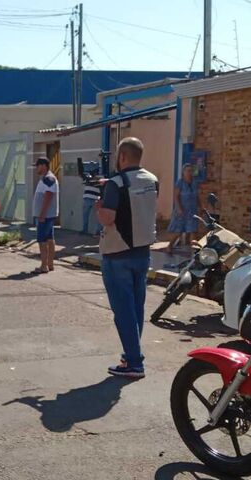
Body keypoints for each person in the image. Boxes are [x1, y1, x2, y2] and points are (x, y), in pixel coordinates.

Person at [96, 137, 159, 379]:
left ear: (122, 156)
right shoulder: (152, 180)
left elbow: (109, 218)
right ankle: (130, 355)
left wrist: (99, 207)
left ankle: (134, 362)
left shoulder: (115, 183)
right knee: (136, 308)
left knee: (123, 311)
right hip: (142, 252)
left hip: (117, 254)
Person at [31, 157, 59, 274]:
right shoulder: (47, 178)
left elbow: (48, 196)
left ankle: (44, 266)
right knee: (49, 238)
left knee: (42, 240)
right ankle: (50, 264)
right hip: (48, 215)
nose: (36, 168)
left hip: (46, 216)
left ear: (43, 166)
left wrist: (42, 214)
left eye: (37, 166)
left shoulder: (48, 179)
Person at [165, 164, 199, 254]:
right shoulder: (180, 182)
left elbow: (197, 196)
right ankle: (170, 246)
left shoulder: (194, 182)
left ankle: (193, 251)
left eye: (190, 171)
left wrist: (201, 206)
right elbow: (176, 196)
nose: (189, 173)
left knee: (192, 230)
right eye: (187, 171)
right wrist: (179, 208)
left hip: (192, 210)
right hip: (182, 210)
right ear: (183, 172)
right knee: (178, 232)